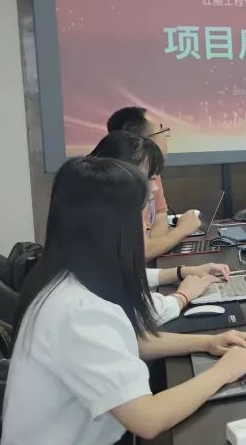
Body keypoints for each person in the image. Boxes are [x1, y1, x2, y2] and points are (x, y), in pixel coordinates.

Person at [2, 157, 246, 445]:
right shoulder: (77, 311)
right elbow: (148, 419)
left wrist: (207, 342)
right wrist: (224, 371)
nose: (147, 225)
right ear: (111, 227)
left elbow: (128, 343)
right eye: (140, 216)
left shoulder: (69, 278)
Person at [89, 131, 227, 323]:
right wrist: (183, 296)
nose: (154, 187)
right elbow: (137, 316)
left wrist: (181, 272)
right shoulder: (103, 226)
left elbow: (123, 275)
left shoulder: (103, 216)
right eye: (150, 178)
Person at [107, 106, 198, 260]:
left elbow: (160, 218)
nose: (166, 136)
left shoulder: (151, 171)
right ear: (143, 140)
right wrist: (183, 229)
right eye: (161, 131)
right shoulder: (118, 181)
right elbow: (140, 254)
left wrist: (154, 246)